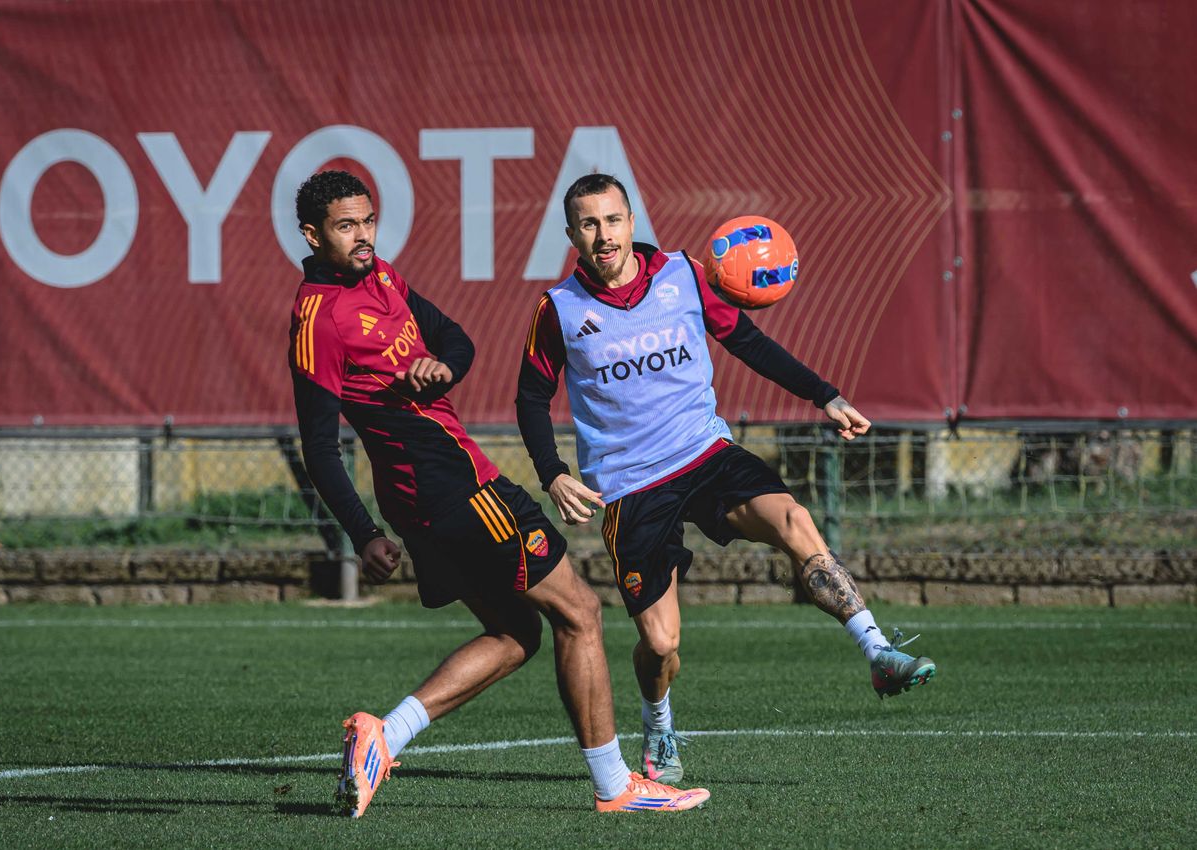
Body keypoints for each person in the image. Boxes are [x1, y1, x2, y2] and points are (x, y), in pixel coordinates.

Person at [288, 170, 708, 817]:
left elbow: (457, 339)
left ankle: (382, 736)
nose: (364, 235)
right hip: (454, 486)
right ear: (313, 235)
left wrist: (443, 367)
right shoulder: (317, 319)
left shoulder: (381, 276)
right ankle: (615, 786)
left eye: (368, 220)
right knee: (579, 614)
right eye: (347, 227)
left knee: (516, 632)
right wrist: (362, 531)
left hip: (432, 494)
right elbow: (318, 447)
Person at [515, 173, 936, 786]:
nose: (603, 235)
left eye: (612, 220)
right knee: (660, 645)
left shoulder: (683, 274)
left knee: (794, 520)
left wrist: (826, 396)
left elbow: (749, 344)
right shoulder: (558, 310)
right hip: (632, 487)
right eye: (588, 224)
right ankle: (658, 718)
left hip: (707, 454)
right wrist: (552, 473)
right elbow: (531, 396)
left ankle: (876, 651)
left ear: (632, 222)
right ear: (571, 234)